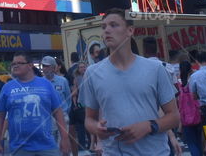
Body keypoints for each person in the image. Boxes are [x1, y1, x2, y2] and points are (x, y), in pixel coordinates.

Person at [81, 9, 179, 156]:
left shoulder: (155, 68)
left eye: (114, 25)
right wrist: (96, 128)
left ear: (130, 30)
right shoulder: (92, 73)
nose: (107, 30)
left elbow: (174, 117)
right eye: (104, 27)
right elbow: (89, 118)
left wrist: (149, 126)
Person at [0, 51, 69, 156]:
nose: (15, 66)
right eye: (13, 64)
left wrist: (64, 139)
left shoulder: (46, 85)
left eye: (19, 63)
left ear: (30, 65)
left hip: (47, 147)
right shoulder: (7, 87)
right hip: (18, 148)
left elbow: (58, 112)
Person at [41, 55, 71, 134]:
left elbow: (68, 98)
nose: (44, 68)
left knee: (64, 143)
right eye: (43, 66)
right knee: (51, 144)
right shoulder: (40, 83)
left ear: (54, 68)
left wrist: (65, 112)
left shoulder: (63, 81)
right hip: (47, 117)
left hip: (62, 115)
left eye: (47, 66)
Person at [68, 61, 89, 156]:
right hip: (81, 104)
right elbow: (74, 92)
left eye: (84, 67)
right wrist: (75, 103)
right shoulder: (76, 78)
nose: (82, 69)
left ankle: (91, 143)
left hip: (89, 103)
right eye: (81, 67)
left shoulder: (90, 77)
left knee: (88, 124)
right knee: (81, 125)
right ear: (78, 69)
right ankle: (82, 144)